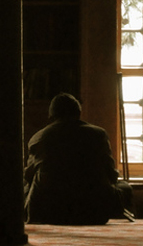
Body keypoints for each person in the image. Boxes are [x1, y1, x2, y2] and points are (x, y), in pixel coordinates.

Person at [24, 93, 134, 225]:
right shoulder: (98, 134)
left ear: (51, 116)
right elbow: (110, 173)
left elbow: (28, 175)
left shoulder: (39, 137)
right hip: (94, 212)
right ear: (78, 113)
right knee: (125, 187)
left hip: (50, 211)